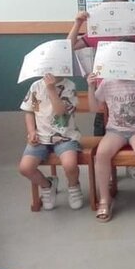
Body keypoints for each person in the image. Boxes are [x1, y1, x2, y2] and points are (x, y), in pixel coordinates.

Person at [68, 0, 135, 182]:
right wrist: (77, 24)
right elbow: (68, 47)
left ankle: (133, 164)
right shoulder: (97, 32)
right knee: (102, 127)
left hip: (132, 89)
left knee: (133, 124)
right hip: (106, 90)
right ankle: (106, 169)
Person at [87, 70, 135, 223]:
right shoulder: (107, 82)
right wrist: (91, 88)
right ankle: (104, 199)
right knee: (102, 153)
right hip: (115, 130)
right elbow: (94, 108)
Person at [18, 73, 83, 210]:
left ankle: (73, 186)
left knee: (70, 165)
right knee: (25, 168)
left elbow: (61, 113)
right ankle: (47, 185)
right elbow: (29, 111)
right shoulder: (35, 86)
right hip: (40, 138)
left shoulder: (69, 86)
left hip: (65, 137)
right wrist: (31, 131)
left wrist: (51, 89)